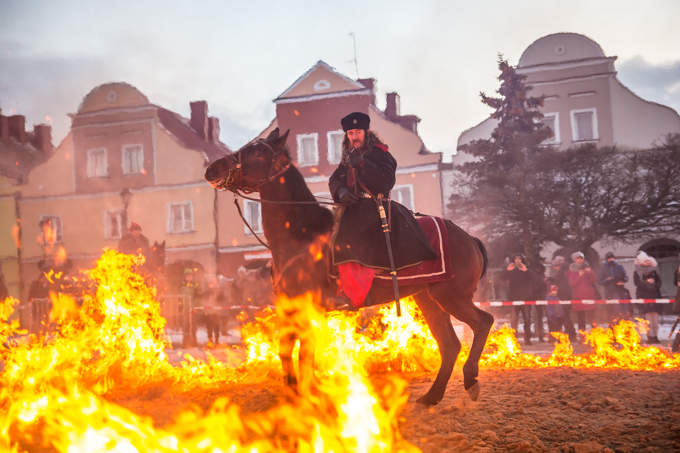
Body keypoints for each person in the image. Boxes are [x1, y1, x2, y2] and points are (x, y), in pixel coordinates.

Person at [328, 112, 436, 307]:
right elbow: (334, 180)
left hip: (374, 207)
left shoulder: (381, 154)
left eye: (358, 131)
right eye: (351, 133)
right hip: (351, 208)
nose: (354, 136)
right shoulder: (347, 157)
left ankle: (354, 294)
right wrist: (342, 191)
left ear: (366, 132)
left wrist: (362, 164)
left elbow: (386, 182)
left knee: (351, 237)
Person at [499, 253, 534, 345]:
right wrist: (507, 270)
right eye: (516, 259)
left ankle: (527, 339)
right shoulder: (510, 270)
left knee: (527, 319)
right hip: (513, 299)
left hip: (526, 298)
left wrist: (526, 271)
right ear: (513, 260)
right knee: (514, 320)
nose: (518, 261)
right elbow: (501, 277)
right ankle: (514, 339)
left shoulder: (526, 270)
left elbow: (534, 279)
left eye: (520, 259)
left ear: (522, 260)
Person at [633, 251, 662, 344]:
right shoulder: (637, 273)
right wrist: (647, 284)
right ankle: (650, 336)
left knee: (655, 321)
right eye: (645, 261)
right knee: (648, 321)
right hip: (644, 297)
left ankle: (656, 336)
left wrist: (653, 285)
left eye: (648, 261)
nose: (647, 263)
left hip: (655, 296)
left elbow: (659, 282)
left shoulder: (653, 271)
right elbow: (637, 284)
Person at [566, 251, 598, 336]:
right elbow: (572, 284)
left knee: (592, 318)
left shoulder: (588, 268)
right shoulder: (571, 270)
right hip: (578, 296)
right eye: (578, 258)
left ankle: (596, 336)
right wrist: (579, 275)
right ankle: (582, 336)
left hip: (589, 295)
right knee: (581, 318)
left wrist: (590, 272)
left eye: (581, 258)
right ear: (574, 259)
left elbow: (594, 281)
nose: (580, 260)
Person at [550, 256, 577, 341]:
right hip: (564, 296)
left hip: (565, 297)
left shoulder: (563, 273)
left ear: (559, 265)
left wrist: (557, 291)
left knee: (565, 316)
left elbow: (563, 285)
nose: (554, 268)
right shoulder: (563, 272)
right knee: (565, 316)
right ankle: (569, 333)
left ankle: (571, 334)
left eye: (555, 266)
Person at [597, 251, 630, 322]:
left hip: (620, 291)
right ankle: (612, 327)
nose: (611, 259)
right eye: (609, 258)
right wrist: (606, 280)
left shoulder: (620, 267)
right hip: (609, 292)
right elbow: (599, 281)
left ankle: (624, 326)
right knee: (611, 310)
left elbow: (626, 278)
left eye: (612, 258)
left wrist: (621, 280)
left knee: (623, 308)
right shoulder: (603, 269)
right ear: (606, 259)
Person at [179, 268, 202, 347]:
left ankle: (194, 342)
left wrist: (196, 307)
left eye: (191, 276)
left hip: (193, 309)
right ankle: (185, 342)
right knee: (185, 326)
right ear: (185, 276)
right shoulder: (182, 285)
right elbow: (179, 298)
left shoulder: (195, 285)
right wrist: (180, 308)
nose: (189, 277)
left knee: (193, 326)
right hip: (185, 309)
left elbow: (198, 296)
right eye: (188, 276)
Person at [202, 276, 227, 345]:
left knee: (216, 327)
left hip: (216, 312)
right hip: (209, 313)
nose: (211, 286)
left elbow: (221, 299)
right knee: (209, 328)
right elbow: (204, 299)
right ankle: (210, 340)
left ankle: (216, 340)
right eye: (210, 284)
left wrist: (218, 294)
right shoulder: (206, 292)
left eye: (213, 284)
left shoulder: (218, 291)